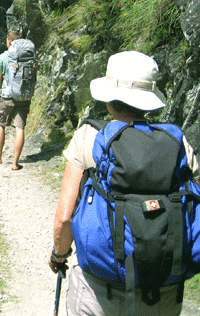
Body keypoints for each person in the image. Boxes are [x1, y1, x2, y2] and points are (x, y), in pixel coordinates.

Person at [48, 51, 199, 316]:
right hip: (163, 292)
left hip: (100, 291)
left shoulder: (89, 137)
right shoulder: (176, 143)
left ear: (110, 98)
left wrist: (59, 256)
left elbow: (64, 218)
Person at [0, 31, 33, 170]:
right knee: (20, 128)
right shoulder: (27, 58)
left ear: (9, 41)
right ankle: (15, 163)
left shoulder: (3, 57)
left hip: (7, 97)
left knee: (1, 125)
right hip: (23, 97)